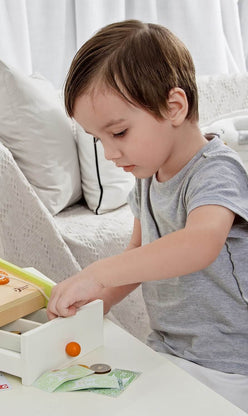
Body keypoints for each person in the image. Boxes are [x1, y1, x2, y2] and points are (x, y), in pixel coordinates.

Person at [46, 20, 248, 411]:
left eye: (119, 133)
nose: (110, 153)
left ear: (174, 107)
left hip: (230, 366)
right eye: (98, 140)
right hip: (170, 351)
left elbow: (198, 244)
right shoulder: (148, 175)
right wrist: (91, 306)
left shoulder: (216, 170)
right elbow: (137, 258)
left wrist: (97, 273)